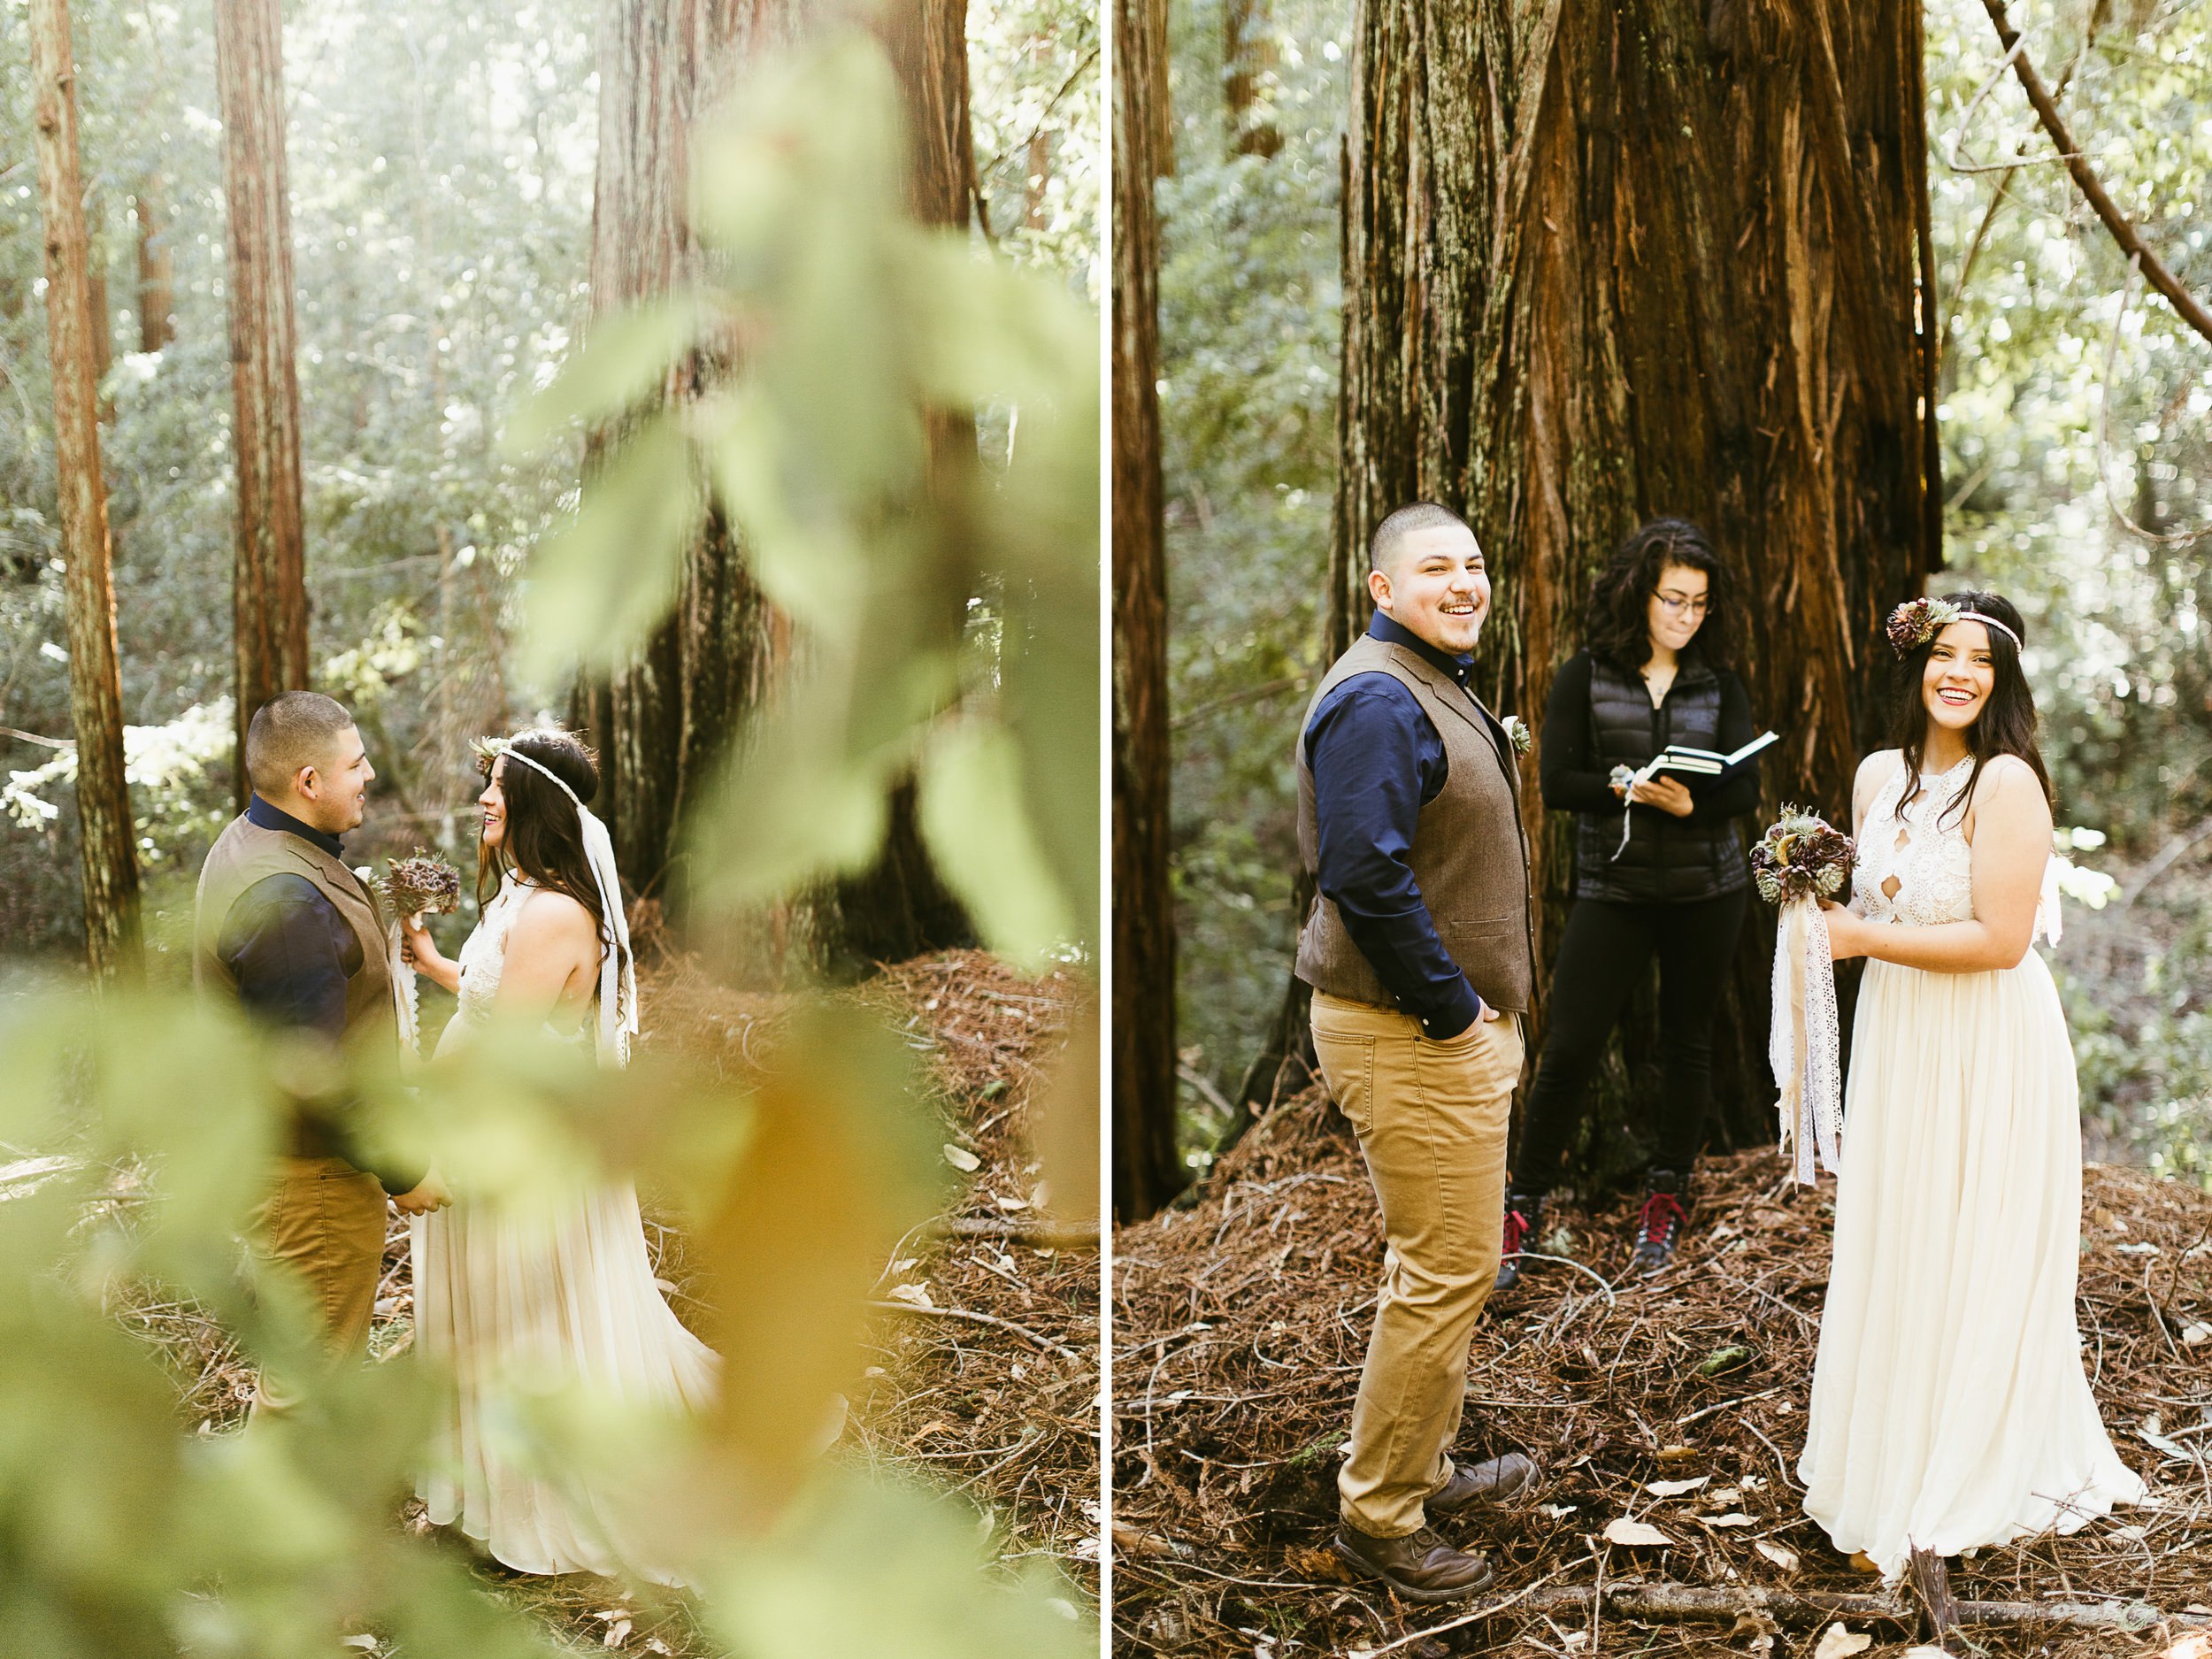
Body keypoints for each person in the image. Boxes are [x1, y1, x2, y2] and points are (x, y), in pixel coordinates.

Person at [1800, 592, 2142, 1606]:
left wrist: (1859, 942)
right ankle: (1884, 1456)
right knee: (1903, 1237)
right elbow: (1869, 898)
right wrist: (1812, 907)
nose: (1957, 672)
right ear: (1914, 665)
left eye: (1978, 660)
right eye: (1941, 653)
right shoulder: (1876, 776)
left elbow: (1998, 941)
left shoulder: (2008, 783)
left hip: (1987, 1039)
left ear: (2002, 679)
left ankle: (1965, 1463)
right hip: (1901, 1037)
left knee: (1973, 1241)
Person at [398, 726, 718, 1579]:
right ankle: (494, 1497)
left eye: (498, 784)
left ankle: (540, 1511)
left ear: (537, 798)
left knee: (523, 1326)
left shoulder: (550, 911)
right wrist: (435, 963)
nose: (483, 797)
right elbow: (503, 999)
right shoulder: (528, 898)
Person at [1294, 501, 1540, 1604]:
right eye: (1435, 567)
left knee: (1438, 1266)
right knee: (1445, 1273)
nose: (1463, 582)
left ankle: (1417, 1466)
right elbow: (1365, 874)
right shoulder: (1376, 699)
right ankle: (1382, 1518)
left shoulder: (1426, 680)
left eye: (1474, 565)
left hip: (1432, 1032)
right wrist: (1454, 1014)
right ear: (1381, 589)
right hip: (1408, 1033)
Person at [1499, 519, 1759, 1288]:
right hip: (1611, 888)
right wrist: (1625, 785)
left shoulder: (1720, 682)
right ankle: (1522, 1203)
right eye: (1673, 598)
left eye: (1700, 604)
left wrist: (1690, 808)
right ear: (1639, 593)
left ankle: (1667, 1194)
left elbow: (1743, 787)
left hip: (1706, 891)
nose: (1686, 616)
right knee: (1572, 1045)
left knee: (1687, 1043)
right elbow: (1556, 784)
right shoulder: (1587, 674)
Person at [192, 691, 451, 1413]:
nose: (369, 774)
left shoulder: (259, 844)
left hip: (296, 1170)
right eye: (356, 762)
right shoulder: (284, 898)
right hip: (313, 1180)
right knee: (311, 1392)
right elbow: (313, 1072)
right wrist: (405, 1171)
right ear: (309, 782)